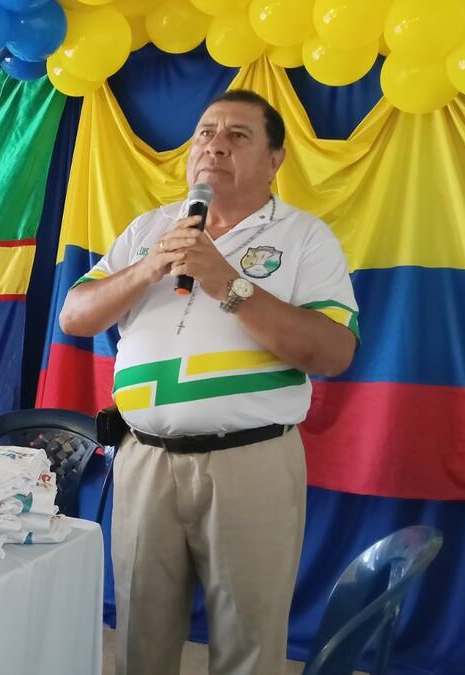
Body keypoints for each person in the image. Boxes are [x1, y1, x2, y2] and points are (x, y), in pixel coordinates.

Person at [59, 90, 359, 675]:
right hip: (143, 460)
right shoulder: (150, 229)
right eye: (205, 133)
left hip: (251, 462)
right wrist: (148, 267)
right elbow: (76, 315)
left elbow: (333, 351)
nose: (215, 145)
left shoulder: (304, 237)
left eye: (238, 136)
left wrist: (228, 283)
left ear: (275, 160)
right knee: (141, 634)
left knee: (248, 640)